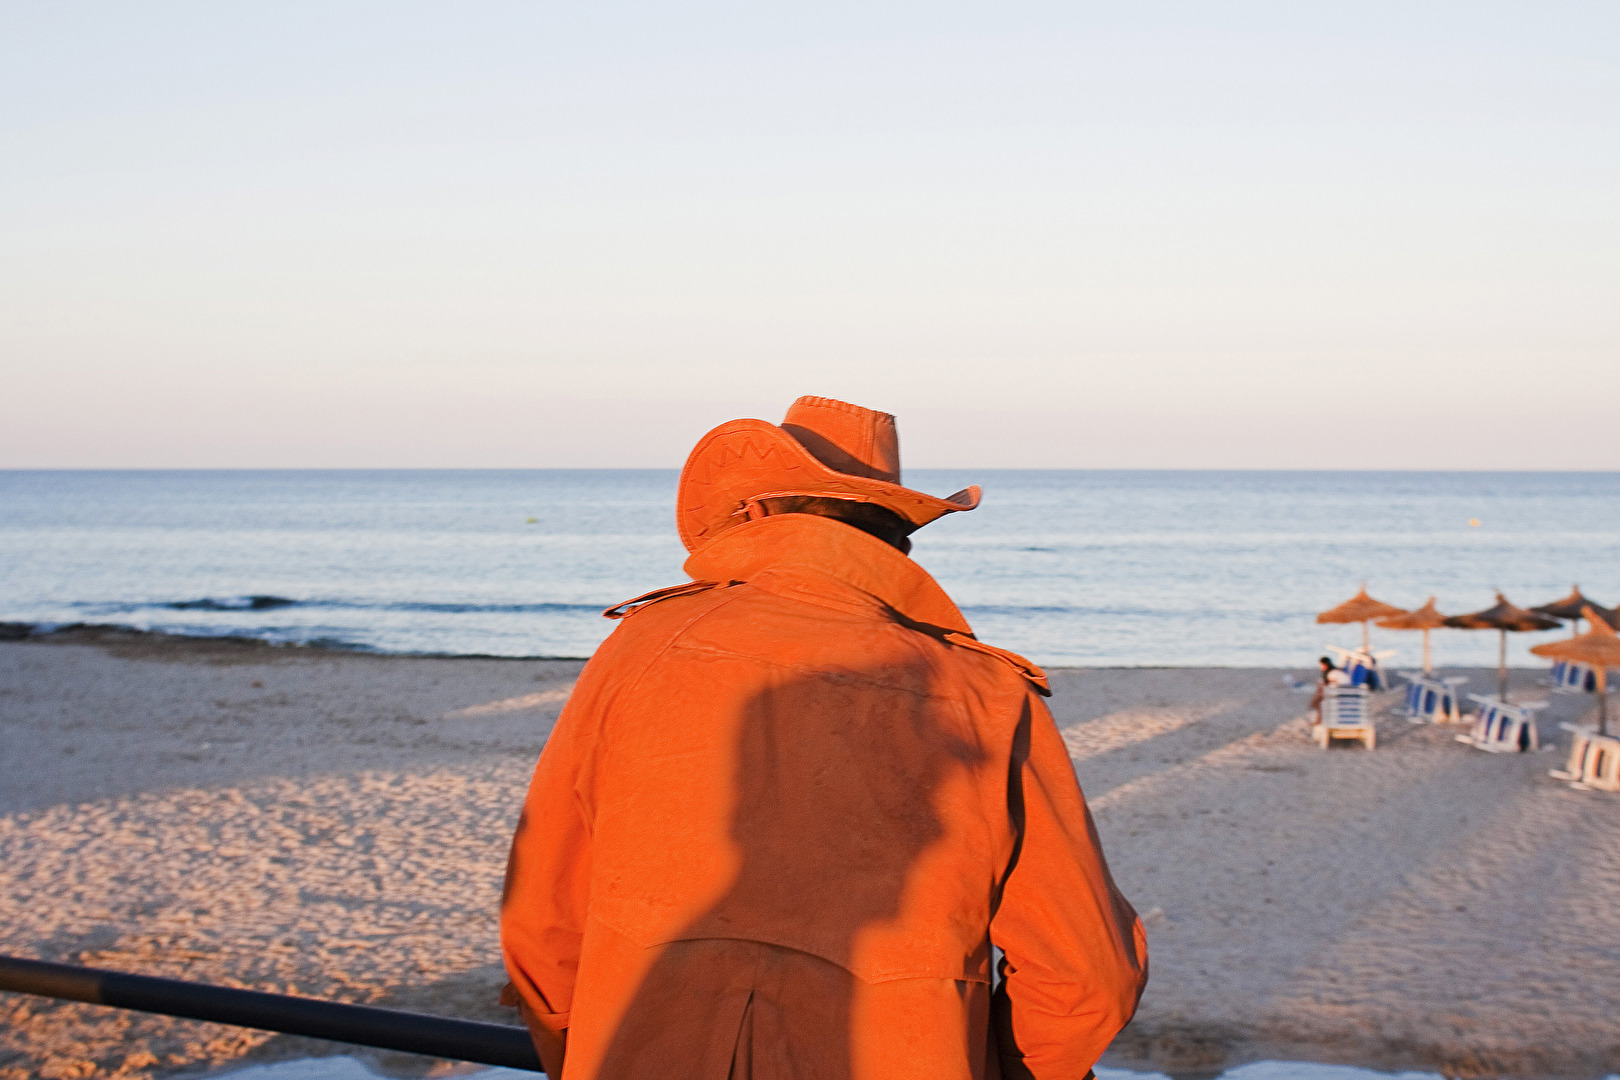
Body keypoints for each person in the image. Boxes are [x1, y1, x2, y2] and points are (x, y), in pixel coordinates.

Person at [500, 396, 1147, 1080]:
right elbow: (1085, 979)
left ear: (756, 513)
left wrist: (585, 1056)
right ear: (897, 532)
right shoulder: (986, 696)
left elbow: (544, 920)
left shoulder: (645, 647)